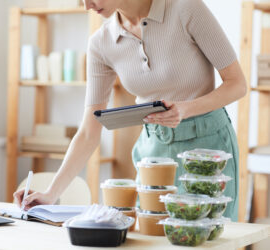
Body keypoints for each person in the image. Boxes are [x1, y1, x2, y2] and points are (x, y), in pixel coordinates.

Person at [14, 0, 247, 221]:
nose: (87, 5)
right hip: (154, 154)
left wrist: (185, 109)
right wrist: (51, 194)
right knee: (152, 238)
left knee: (210, 238)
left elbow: (237, 84)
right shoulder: (101, 43)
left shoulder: (186, 8)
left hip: (208, 150)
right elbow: (89, 131)